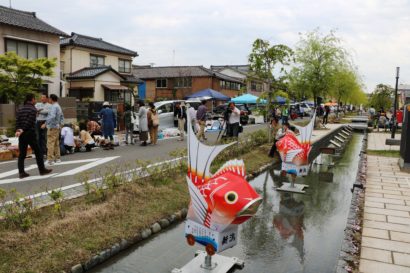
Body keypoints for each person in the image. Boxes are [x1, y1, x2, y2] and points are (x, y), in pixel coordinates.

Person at [15, 94, 52, 179]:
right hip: (29, 133)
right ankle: (42, 170)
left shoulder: (21, 109)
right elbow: (29, 121)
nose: (35, 101)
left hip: (22, 134)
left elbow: (17, 120)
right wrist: (23, 129)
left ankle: (21, 172)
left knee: (22, 153)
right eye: (34, 99)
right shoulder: (33, 109)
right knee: (38, 151)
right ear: (32, 99)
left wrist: (18, 130)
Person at [45, 94, 64, 165]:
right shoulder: (58, 106)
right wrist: (61, 124)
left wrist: (46, 123)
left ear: (51, 99)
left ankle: (50, 159)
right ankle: (58, 158)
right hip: (57, 126)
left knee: (50, 143)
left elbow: (52, 116)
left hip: (52, 126)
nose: (48, 100)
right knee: (56, 143)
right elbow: (62, 116)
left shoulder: (53, 107)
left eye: (49, 98)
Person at [35, 94, 50, 158]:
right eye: (41, 97)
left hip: (45, 122)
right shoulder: (38, 104)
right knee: (38, 138)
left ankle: (45, 152)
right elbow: (34, 109)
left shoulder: (49, 105)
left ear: (47, 98)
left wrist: (39, 111)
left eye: (44, 97)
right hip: (38, 122)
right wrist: (38, 110)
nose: (42, 98)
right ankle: (39, 153)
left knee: (45, 137)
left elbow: (47, 112)